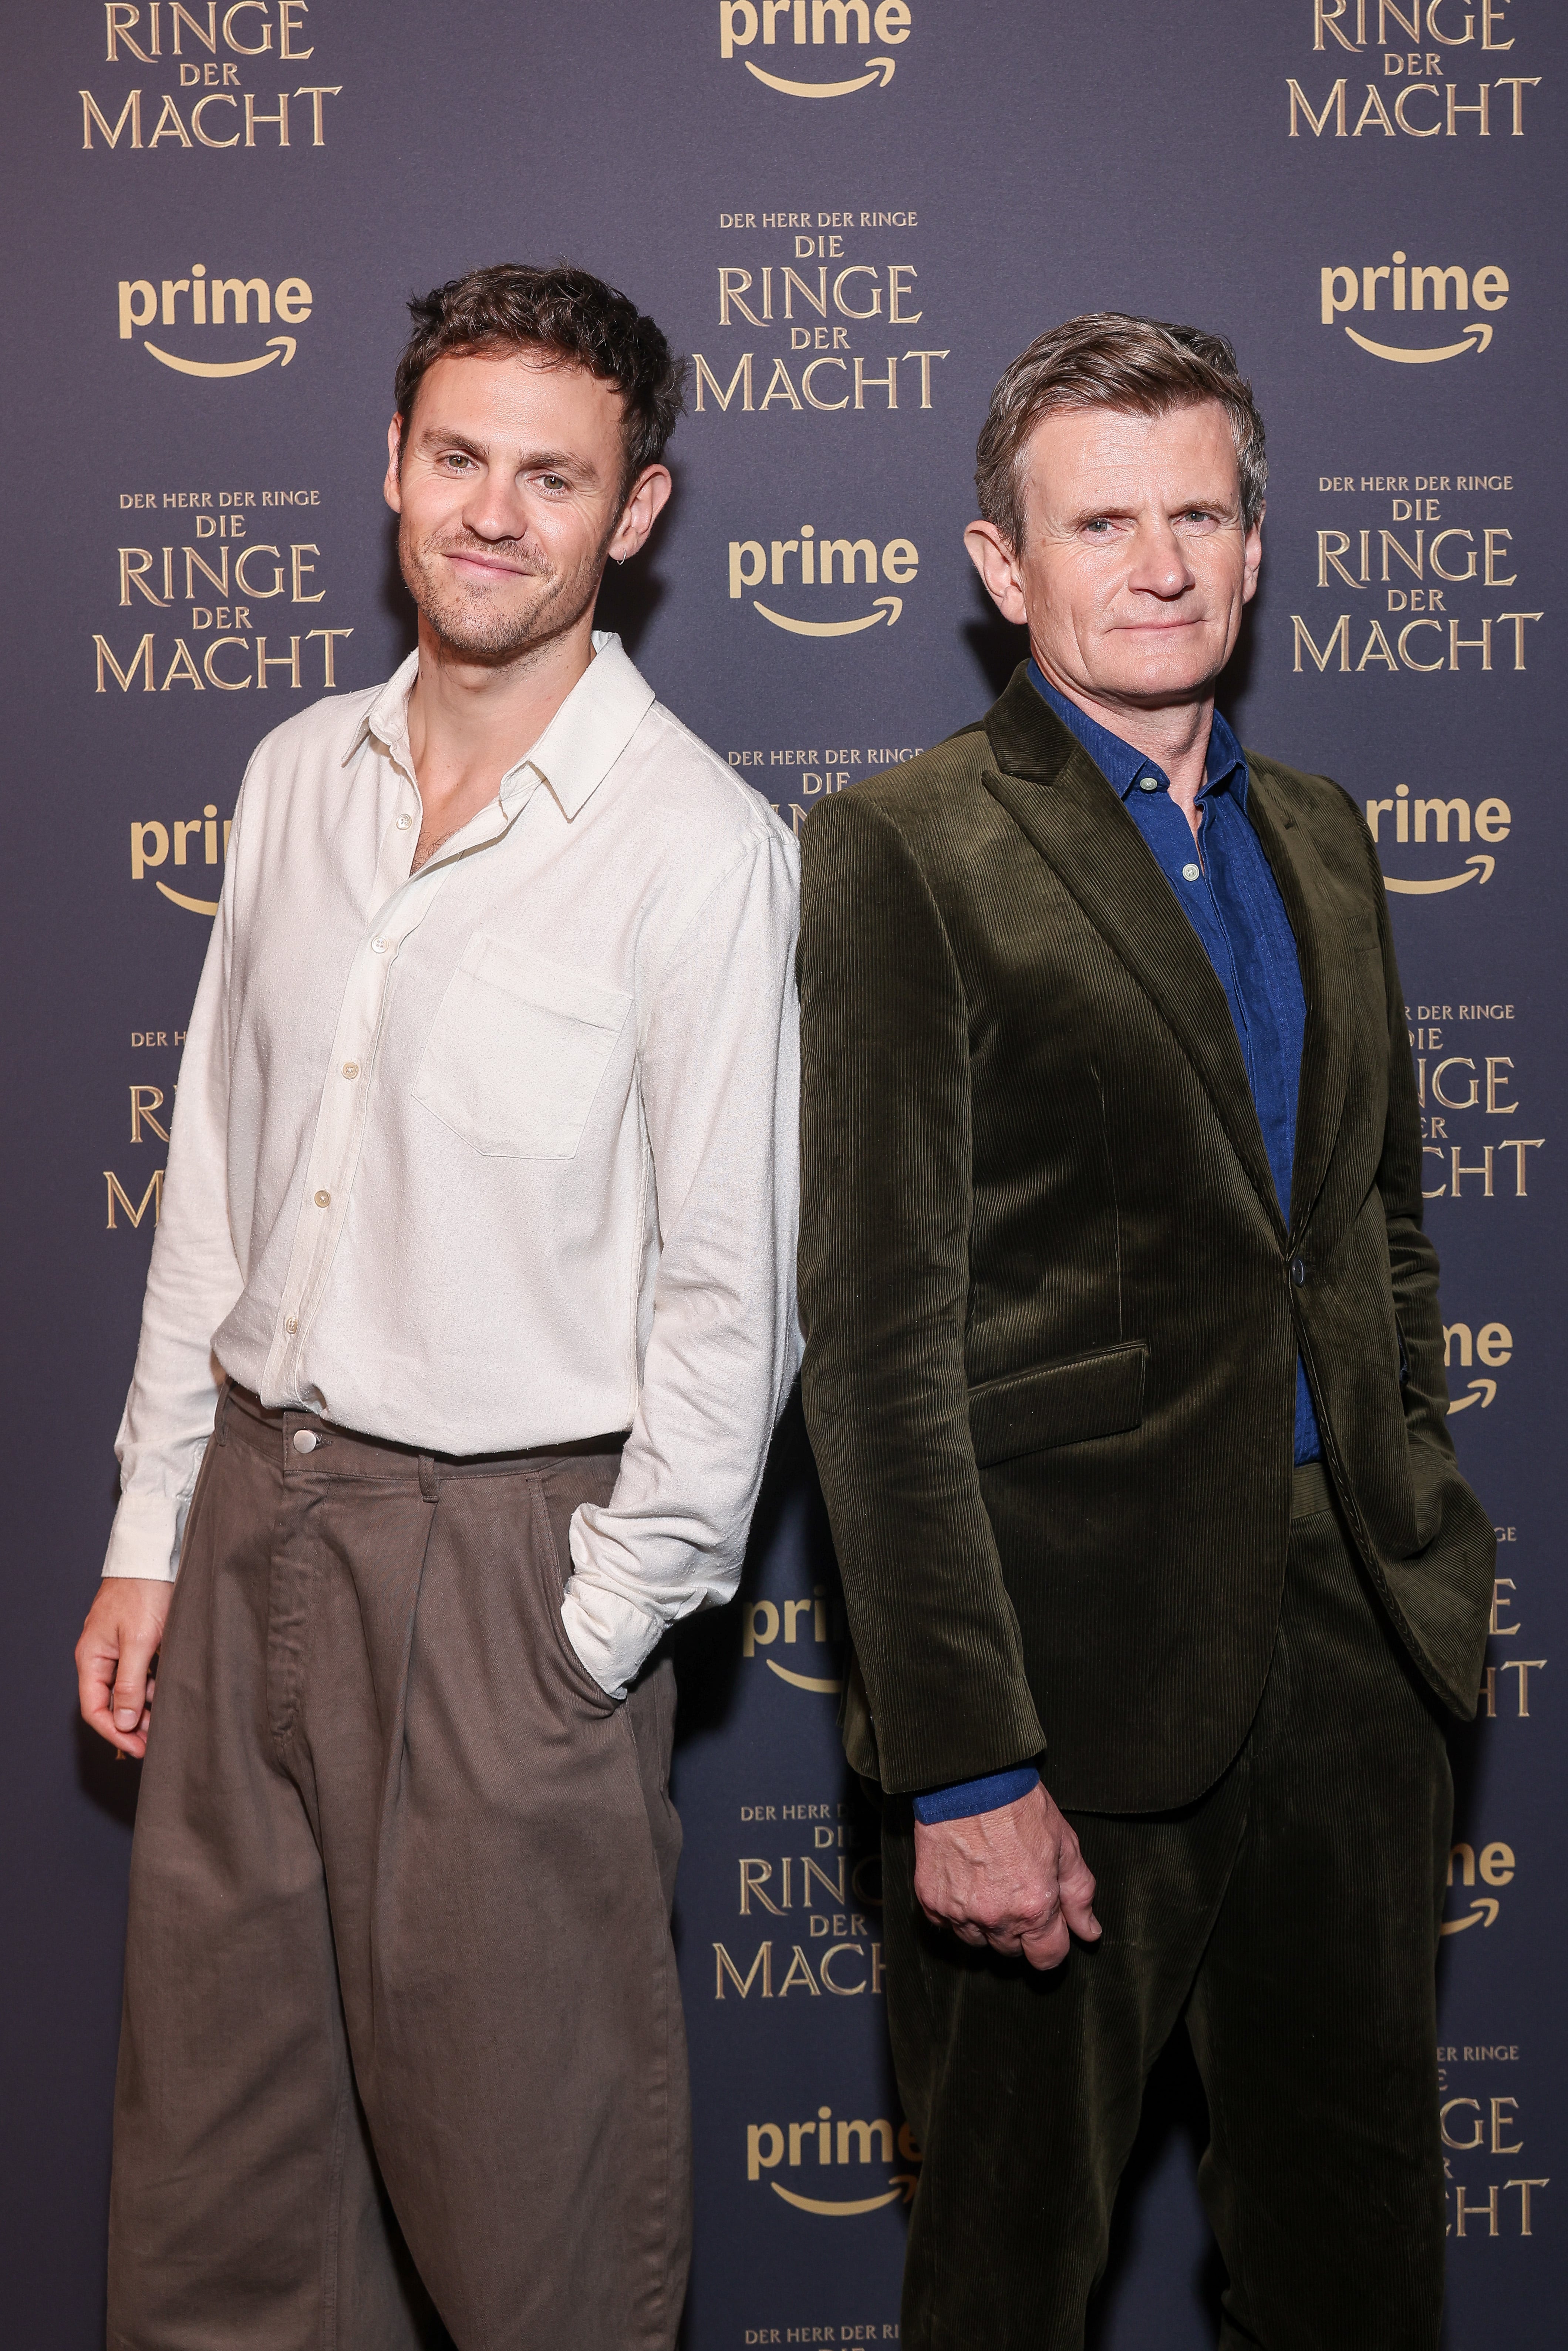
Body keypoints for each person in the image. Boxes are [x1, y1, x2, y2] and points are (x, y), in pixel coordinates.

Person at [77, 262, 800, 2351]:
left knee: (533, 2229)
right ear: (393, 465)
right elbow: (218, 1179)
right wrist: (154, 1534)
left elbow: (734, 1304)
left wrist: (590, 1628)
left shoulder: (700, 853)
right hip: (248, 1521)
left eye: (552, 478)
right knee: (224, 2191)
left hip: (509, 1565)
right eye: (459, 457)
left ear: (633, 512)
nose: (495, 513)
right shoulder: (294, 770)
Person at [796, 311, 1493, 2350]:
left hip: (1355, 1655)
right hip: (1065, 1698)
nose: (1162, 560)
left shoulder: (1332, 837)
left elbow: (1379, 1235)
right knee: (1009, 2273)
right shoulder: (904, 849)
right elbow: (878, 1345)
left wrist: (1411, 1510)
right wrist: (963, 1760)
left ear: (1258, 545)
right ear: (1006, 569)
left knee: (1358, 2258)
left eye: (1200, 510)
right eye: (1103, 520)